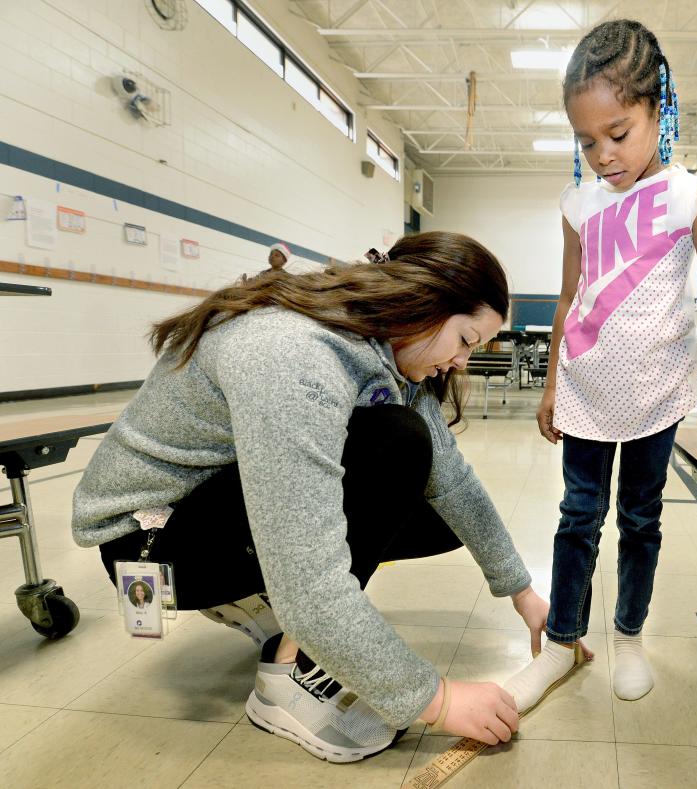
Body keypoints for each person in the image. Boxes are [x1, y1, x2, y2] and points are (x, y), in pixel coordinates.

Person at [72, 231, 551, 763]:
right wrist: (436, 701)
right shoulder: (291, 353)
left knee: (434, 505)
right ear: (421, 303)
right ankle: (285, 675)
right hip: (146, 543)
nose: (463, 362)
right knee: (394, 443)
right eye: (464, 339)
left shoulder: (384, 347)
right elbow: (310, 575)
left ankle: (270, 606)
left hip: (209, 512)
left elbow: (453, 482)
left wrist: (523, 592)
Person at [503, 19, 697, 712]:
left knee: (640, 518)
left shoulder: (691, 195)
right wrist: (552, 380)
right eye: (587, 141)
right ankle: (561, 641)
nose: (604, 154)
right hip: (585, 389)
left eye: (619, 133)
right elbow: (567, 296)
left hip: (655, 394)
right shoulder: (578, 204)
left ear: (658, 111)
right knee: (577, 515)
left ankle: (631, 634)